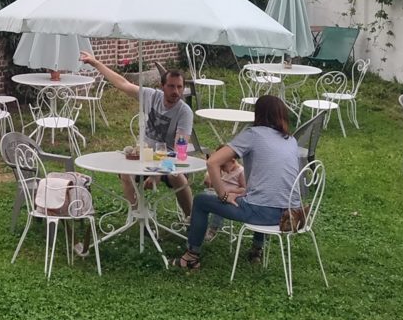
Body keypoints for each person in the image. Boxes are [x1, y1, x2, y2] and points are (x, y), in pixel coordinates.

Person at [173, 95, 302, 270]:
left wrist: (223, 195)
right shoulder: (291, 140)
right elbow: (274, 179)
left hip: (262, 213)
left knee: (202, 201)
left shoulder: (253, 134)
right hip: (290, 214)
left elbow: (212, 162)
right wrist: (243, 192)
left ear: (258, 115)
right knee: (258, 197)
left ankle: (190, 257)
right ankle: (257, 250)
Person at [79, 51, 194, 216]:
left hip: (168, 160)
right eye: (171, 86)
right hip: (144, 155)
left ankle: (190, 218)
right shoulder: (151, 96)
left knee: (178, 177)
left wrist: (158, 174)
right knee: (125, 173)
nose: (175, 91)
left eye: (179, 87)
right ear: (163, 86)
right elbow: (123, 84)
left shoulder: (185, 112)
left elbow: (180, 151)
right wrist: (95, 63)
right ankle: (137, 214)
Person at [204, 156, 246, 241]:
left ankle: (213, 228)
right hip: (220, 192)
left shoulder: (241, 171)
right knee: (203, 196)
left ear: (233, 161)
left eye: (223, 166)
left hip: (231, 196)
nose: (222, 169)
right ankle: (195, 219)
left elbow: (244, 189)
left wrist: (231, 190)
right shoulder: (225, 170)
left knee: (220, 204)